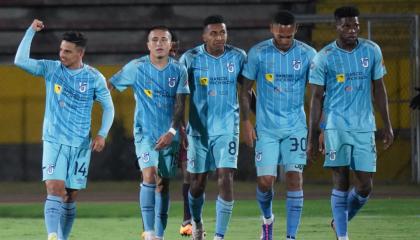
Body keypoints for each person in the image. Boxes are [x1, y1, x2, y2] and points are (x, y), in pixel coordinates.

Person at [14, 19, 114, 240]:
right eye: (60, 49)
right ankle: (53, 236)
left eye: (67, 51)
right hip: (54, 140)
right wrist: (31, 31)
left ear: (80, 53)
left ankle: (63, 237)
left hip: (80, 144)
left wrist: (102, 134)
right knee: (54, 188)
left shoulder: (94, 77)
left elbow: (109, 108)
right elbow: (20, 61)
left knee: (70, 196)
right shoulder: (51, 69)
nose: (62, 54)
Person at [307, 6, 394, 240]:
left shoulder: (372, 50)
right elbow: (316, 98)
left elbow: (379, 88)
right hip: (335, 126)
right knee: (341, 179)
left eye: (355, 25)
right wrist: (312, 135)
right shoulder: (324, 57)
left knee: (366, 185)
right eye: (346, 25)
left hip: (365, 125)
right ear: (336, 26)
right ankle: (343, 236)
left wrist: (387, 123)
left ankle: (340, 221)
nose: (352, 29)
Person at [240, 10, 316, 240]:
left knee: (294, 178)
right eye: (280, 34)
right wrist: (245, 122)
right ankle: (267, 220)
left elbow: (318, 93)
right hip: (267, 128)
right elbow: (245, 91)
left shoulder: (308, 54)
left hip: (296, 126)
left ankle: (291, 236)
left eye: (289, 35)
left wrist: (318, 128)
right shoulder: (258, 53)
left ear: (296, 30)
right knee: (265, 182)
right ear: (272, 28)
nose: (284, 39)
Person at [109, 25, 189, 240]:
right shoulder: (136, 67)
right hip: (144, 133)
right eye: (154, 39)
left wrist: (172, 132)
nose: (159, 43)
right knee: (150, 175)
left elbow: (181, 105)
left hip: (170, 135)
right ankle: (150, 232)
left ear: (171, 44)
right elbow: (110, 86)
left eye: (164, 39)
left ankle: (159, 234)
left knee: (163, 184)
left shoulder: (179, 70)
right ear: (148, 44)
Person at [179, 15, 246, 240]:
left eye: (223, 33)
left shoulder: (238, 57)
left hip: (228, 128)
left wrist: (252, 119)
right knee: (197, 184)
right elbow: (179, 96)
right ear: (204, 36)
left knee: (225, 177)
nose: (219, 37)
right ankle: (196, 221)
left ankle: (219, 236)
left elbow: (247, 91)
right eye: (214, 33)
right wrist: (177, 124)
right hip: (199, 131)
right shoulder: (190, 58)